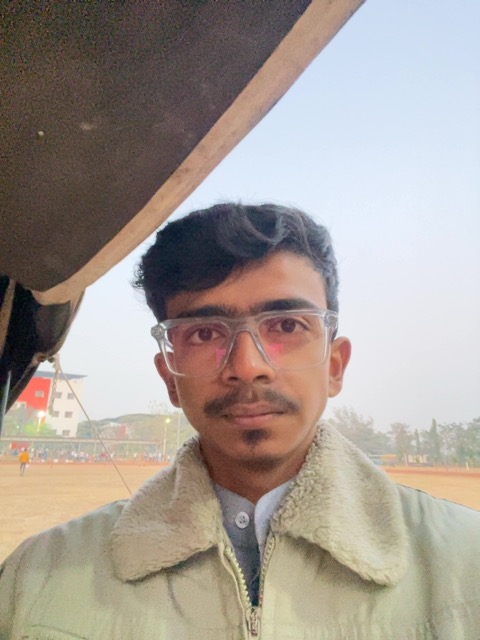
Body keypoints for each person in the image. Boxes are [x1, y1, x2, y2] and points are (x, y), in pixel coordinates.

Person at [1, 203, 479, 639]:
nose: (247, 366)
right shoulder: (34, 584)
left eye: (287, 325)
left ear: (335, 366)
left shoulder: (465, 564)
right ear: (170, 377)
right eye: (204, 333)